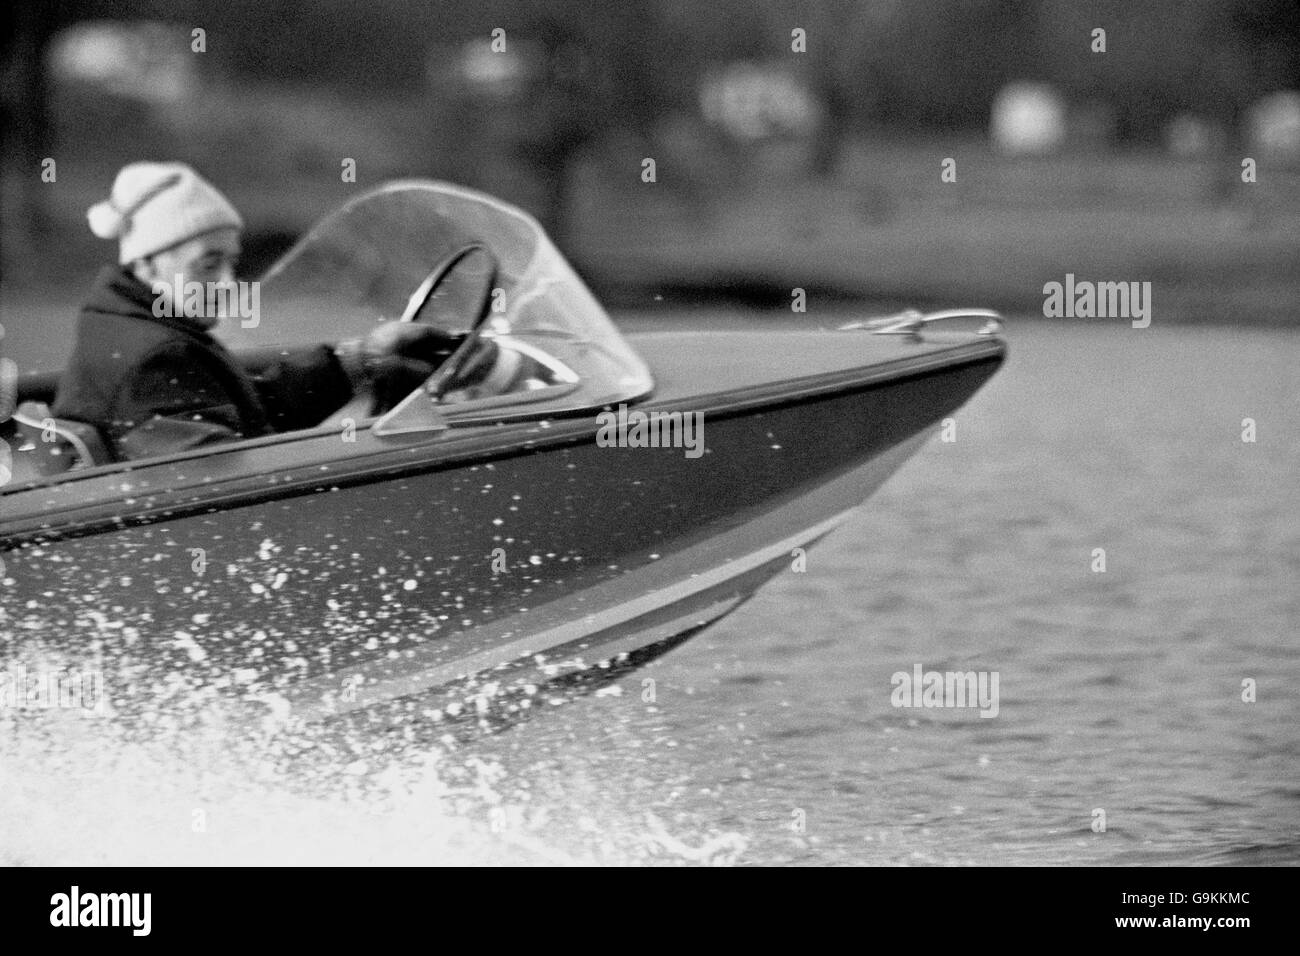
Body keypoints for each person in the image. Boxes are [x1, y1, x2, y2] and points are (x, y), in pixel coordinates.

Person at [53, 162, 468, 461]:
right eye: (208, 264)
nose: (229, 283)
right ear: (147, 264)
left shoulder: (130, 324)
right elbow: (224, 474)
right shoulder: (154, 360)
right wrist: (360, 450)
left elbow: (252, 410)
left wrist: (361, 359)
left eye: (232, 262)